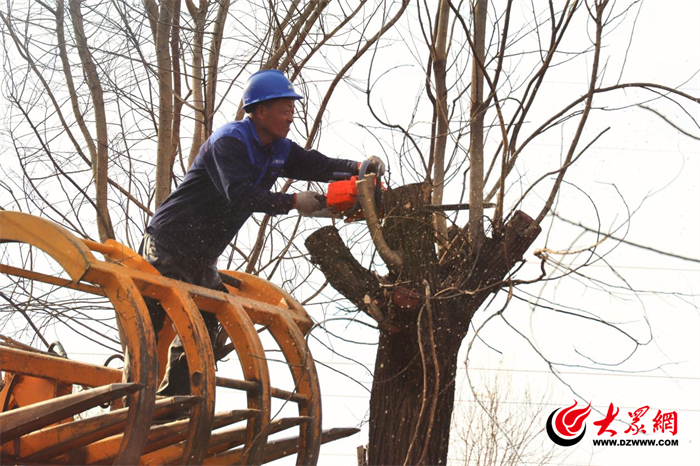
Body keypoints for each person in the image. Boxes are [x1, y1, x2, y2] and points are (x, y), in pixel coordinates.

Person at [140, 69, 384, 396]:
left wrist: (358, 168)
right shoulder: (230, 142)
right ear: (260, 110)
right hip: (169, 243)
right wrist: (294, 201)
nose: (290, 119)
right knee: (151, 326)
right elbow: (238, 194)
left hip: (202, 255)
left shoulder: (279, 148)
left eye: (292, 112)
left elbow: (317, 164)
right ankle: (134, 399)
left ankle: (174, 404)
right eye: (285, 111)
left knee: (207, 324)